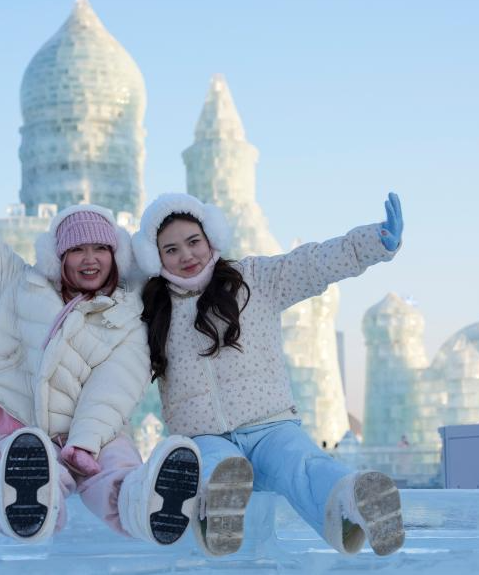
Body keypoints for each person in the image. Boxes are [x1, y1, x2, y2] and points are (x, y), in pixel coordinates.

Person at [0, 159, 201, 546]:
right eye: (77, 249)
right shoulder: (21, 288)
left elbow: (115, 385)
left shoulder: (127, 314)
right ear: (58, 256)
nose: (90, 259)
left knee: (115, 471)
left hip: (97, 432)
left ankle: (147, 503)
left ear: (116, 255)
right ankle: (32, 505)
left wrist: (84, 443)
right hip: (23, 429)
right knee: (20, 463)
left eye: (100, 248)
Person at [133, 192, 406, 557]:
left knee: (302, 464)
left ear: (211, 238)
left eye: (193, 241)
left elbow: (311, 264)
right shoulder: (152, 308)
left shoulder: (252, 280)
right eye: (171, 249)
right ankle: (217, 508)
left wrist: (373, 242)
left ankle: (355, 499)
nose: (186, 255)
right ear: (155, 258)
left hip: (271, 425)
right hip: (204, 432)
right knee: (215, 465)